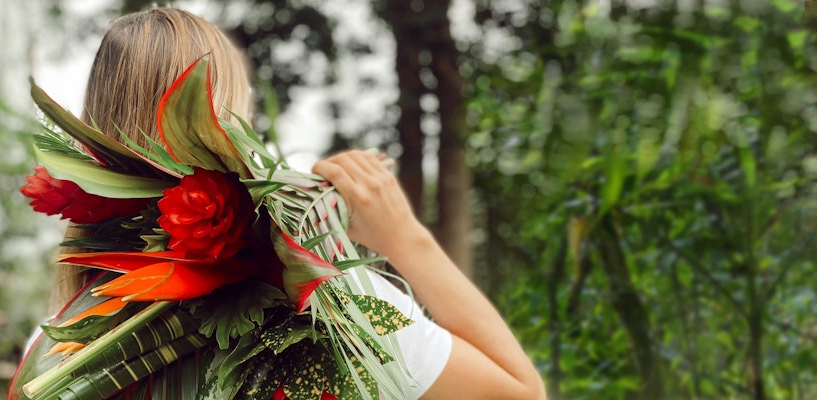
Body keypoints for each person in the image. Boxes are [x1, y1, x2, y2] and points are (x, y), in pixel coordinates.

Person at [33, 7, 546, 400]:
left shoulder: (66, 353)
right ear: (225, 125)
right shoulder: (331, 304)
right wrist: (405, 238)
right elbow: (518, 392)